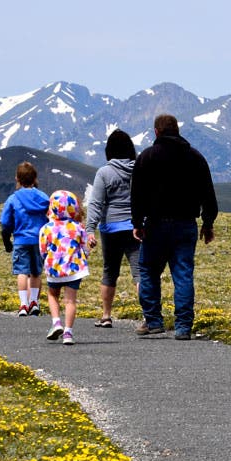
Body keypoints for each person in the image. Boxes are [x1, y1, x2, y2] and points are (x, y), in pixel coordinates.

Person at [129, 113, 218, 340]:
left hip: (155, 225)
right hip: (186, 223)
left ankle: (154, 321)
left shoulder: (147, 157)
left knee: (148, 271)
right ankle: (183, 327)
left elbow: (137, 194)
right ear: (177, 130)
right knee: (183, 274)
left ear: (156, 132)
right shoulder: (195, 157)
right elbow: (208, 194)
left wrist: (137, 223)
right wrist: (207, 224)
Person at [84, 129, 140, 328]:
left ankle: (106, 315)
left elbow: (95, 203)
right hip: (136, 227)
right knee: (139, 273)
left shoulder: (104, 172)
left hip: (110, 228)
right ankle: (149, 315)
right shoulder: (139, 169)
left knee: (110, 272)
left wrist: (89, 229)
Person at [38, 190, 90, 346]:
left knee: (53, 294)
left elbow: (42, 250)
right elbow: (85, 248)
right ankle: (68, 332)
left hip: (54, 268)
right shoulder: (78, 227)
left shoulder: (46, 228)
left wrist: (47, 261)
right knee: (70, 301)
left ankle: (56, 323)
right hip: (74, 269)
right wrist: (84, 258)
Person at [0, 161, 50, 316]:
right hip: (39, 241)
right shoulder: (43, 197)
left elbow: (5, 222)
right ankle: (34, 301)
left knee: (22, 272)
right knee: (36, 272)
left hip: (21, 240)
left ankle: (23, 304)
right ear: (35, 178)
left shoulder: (13, 198)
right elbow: (50, 218)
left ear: (17, 179)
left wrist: (7, 240)